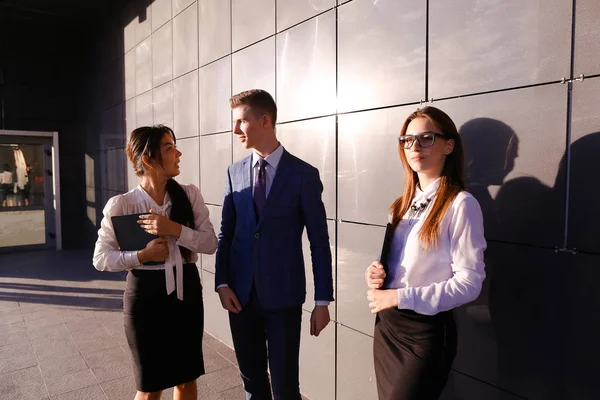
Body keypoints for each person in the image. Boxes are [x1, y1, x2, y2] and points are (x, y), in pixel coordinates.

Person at [215, 89, 334, 400]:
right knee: (252, 384)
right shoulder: (234, 172)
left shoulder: (304, 175)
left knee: (284, 388)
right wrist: (222, 283)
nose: (235, 129)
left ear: (264, 121)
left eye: (241, 121)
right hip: (240, 298)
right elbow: (226, 234)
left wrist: (323, 301)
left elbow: (319, 243)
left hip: (283, 298)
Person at [365, 106, 486, 400]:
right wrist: (376, 274)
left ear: (449, 145)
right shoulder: (400, 205)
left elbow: (470, 283)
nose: (415, 147)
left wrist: (400, 296)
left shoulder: (461, 204)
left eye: (426, 138)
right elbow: (400, 266)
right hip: (388, 327)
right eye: (407, 140)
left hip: (424, 335)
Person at [93, 125, 217, 400]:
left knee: (186, 380)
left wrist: (173, 229)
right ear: (148, 159)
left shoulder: (189, 195)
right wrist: (141, 256)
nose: (178, 153)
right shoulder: (121, 204)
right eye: (169, 147)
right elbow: (101, 258)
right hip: (144, 295)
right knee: (150, 387)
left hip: (186, 291)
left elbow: (209, 244)